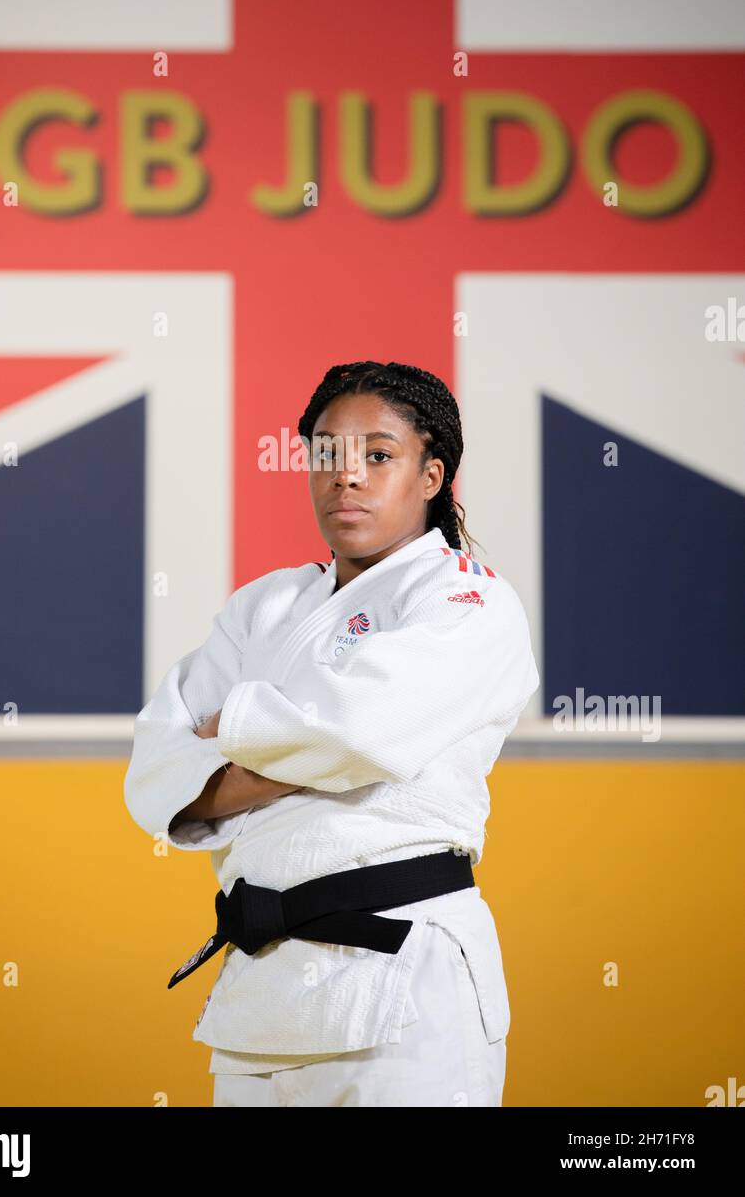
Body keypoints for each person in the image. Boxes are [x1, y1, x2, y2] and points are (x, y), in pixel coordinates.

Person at [124, 360, 540, 1106]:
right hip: (260, 986)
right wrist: (302, 745)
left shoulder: (468, 599)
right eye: (325, 454)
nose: (345, 476)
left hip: (406, 975)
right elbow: (155, 770)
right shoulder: (265, 606)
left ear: (432, 474)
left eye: (378, 456)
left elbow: (361, 733)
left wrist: (234, 734)